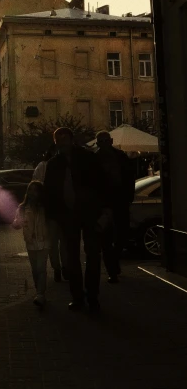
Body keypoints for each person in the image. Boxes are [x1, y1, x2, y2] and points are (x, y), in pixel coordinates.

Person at [44, 127, 109, 312]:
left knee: (93, 255)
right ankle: (78, 297)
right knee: (72, 258)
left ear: (71, 139)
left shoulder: (88, 158)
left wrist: (105, 210)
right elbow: (50, 191)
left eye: (65, 138)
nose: (62, 142)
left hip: (90, 213)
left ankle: (93, 296)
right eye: (59, 139)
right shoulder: (54, 164)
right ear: (55, 142)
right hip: (67, 215)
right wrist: (54, 216)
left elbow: (102, 184)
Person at [95, 130, 136, 276]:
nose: (104, 144)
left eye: (106, 141)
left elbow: (130, 177)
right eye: (101, 141)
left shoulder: (121, 156)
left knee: (122, 234)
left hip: (120, 201)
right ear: (97, 143)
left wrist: (129, 196)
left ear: (111, 141)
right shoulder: (94, 159)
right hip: (103, 204)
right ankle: (112, 270)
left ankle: (114, 259)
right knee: (106, 239)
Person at [33, 148, 68, 282]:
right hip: (54, 210)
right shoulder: (45, 166)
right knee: (57, 242)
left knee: (57, 243)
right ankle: (60, 268)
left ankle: (60, 268)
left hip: (56, 210)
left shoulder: (43, 166)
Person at [13, 180, 50, 307]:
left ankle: (40, 294)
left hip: (44, 241)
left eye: (36, 190)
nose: (33, 193)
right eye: (30, 190)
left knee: (41, 268)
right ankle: (38, 291)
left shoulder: (45, 207)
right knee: (35, 269)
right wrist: (18, 223)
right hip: (30, 242)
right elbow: (16, 223)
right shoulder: (23, 207)